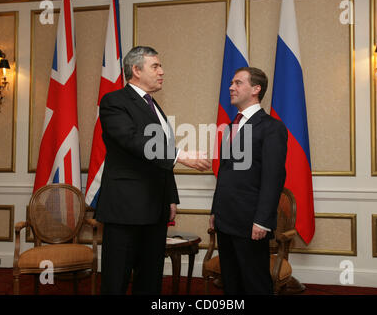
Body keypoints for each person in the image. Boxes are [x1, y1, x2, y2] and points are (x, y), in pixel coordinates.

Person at [95, 46, 211, 295]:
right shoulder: (114, 102)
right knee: (116, 279)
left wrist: (170, 197)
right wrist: (180, 155)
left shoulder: (153, 105)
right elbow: (133, 141)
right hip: (124, 210)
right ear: (136, 70)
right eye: (155, 66)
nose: (162, 72)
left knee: (150, 279)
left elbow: (159, 157)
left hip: (155, 209)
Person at [210, 67, 288, 295]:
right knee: (231, 283)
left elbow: (273, 177)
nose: (231, 87)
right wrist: (216, 210)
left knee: (255, 283)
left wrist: (263, 220)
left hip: (251, 222)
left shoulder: (272, 127)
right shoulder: (231, 126)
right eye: (231, 83)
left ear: (256, 89)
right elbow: (224, 174)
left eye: (237, 83)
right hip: (226, 219)